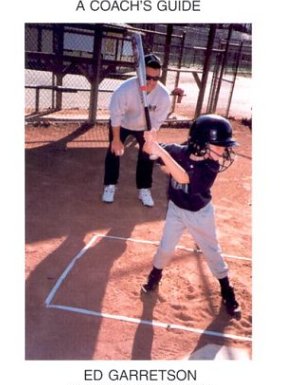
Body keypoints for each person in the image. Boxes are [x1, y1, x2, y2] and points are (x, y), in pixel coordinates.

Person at [141, 114, 241, 318]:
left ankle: (226, 289)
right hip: (176, 210)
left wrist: (161, 153)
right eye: (219, 146)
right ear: (202, 144)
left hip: (200, 214)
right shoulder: (179, 152)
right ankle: (155, 274)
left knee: (212, 251)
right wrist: (149, 143)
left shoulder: (210, 167)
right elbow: (148, 153)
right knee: (166, 248)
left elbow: (183, 178)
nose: (223, 152)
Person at [102, 54, 171, 207]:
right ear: (139, 74)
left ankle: (144, 189)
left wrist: (150, 138)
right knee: (114, 151)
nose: (152, 82)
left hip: (145, 127)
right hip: (123, 123)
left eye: (156, 78)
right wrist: (116, 139)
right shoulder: (124, 90)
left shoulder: (163, 96)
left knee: (147, 154)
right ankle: (110, 185)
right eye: (147, 77)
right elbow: (116, 116)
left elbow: (157, 122)